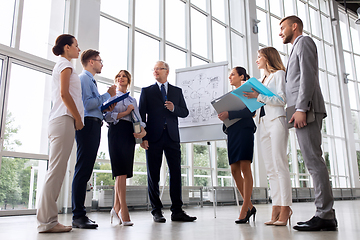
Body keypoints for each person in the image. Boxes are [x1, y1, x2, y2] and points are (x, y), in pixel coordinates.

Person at [279, 15, 337, 231]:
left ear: (295, 26)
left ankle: (325, 214)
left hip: (307, 108)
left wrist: (302, 108)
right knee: (312, 161)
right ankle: (326, 214)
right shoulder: (295, 47)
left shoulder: (304, 42)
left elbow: (308, 76)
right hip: (301, 109)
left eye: (283, 27)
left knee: (314, 161)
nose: (280, 32)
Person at [37, 34, 84, 233]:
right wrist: (78, 118)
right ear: (67, 47)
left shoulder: (63, 64)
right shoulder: (66, 65)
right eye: (76, 45)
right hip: (64, 120)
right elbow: (65, 94)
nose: (78, 49)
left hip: (60, 121)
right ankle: (47, 222)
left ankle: (47, 220)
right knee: (55, 172)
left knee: (55, 171)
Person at [139, 61, 196, 223]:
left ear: (167, 71)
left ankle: (177, 211)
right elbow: (141, 116)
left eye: (159, 68)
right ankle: (156, 211)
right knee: (153, 175)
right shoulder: (147, 91)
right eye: (154, 68)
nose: (156, 71)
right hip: (153, 137)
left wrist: (174, 109)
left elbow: (184, 112)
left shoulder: (177, 91)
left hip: (172, 137)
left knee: (176, 174)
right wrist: (143, 138)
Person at [243, 47, 292, 226]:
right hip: (262, 124)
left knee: (280, 166)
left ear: (268, 58)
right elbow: (261, 102)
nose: (257, 60)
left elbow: (281, 100)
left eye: (259, 57)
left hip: (277, 120)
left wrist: (259, 96)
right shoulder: (261, 80)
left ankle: (286, 207)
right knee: (270, 170)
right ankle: (276, 206)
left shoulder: (279, 74)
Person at [71, 49, 116, 229]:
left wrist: (105, 107)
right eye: (99, 60)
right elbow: (87, 104)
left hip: (93, 123)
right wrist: (108, 95)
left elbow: (93, 104)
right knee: (83, 169)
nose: (101, 64)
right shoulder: (84, 79)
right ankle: (78, 215)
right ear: (91, 62)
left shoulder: (90, 80)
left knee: (86, 169)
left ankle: (80, 214)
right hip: (88, 125)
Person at [104, 70, 146, 226]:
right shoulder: (111, 97)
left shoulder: (132, 99)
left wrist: (142, 132)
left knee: (123, 173)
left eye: (124, 76)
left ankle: (115, 208)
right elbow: (107, 117)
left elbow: (139, 119)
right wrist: (126, 112)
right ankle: (123, 209)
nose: (120, 78)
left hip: (129, 134)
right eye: (118, 76)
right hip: (116, 132)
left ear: (128, 80)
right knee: (120, 171)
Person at [218, 67, 256, 224]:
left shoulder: (249, 89)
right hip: (233, 132)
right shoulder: (231, 95)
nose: (230, 77)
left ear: (242, 76)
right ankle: (251, 206)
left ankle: (244, 207)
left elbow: (251, 112)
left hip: (245, 131)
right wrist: (224, 117)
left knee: (245, 168)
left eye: (233, 74)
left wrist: (230, 114)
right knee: (234, 170)